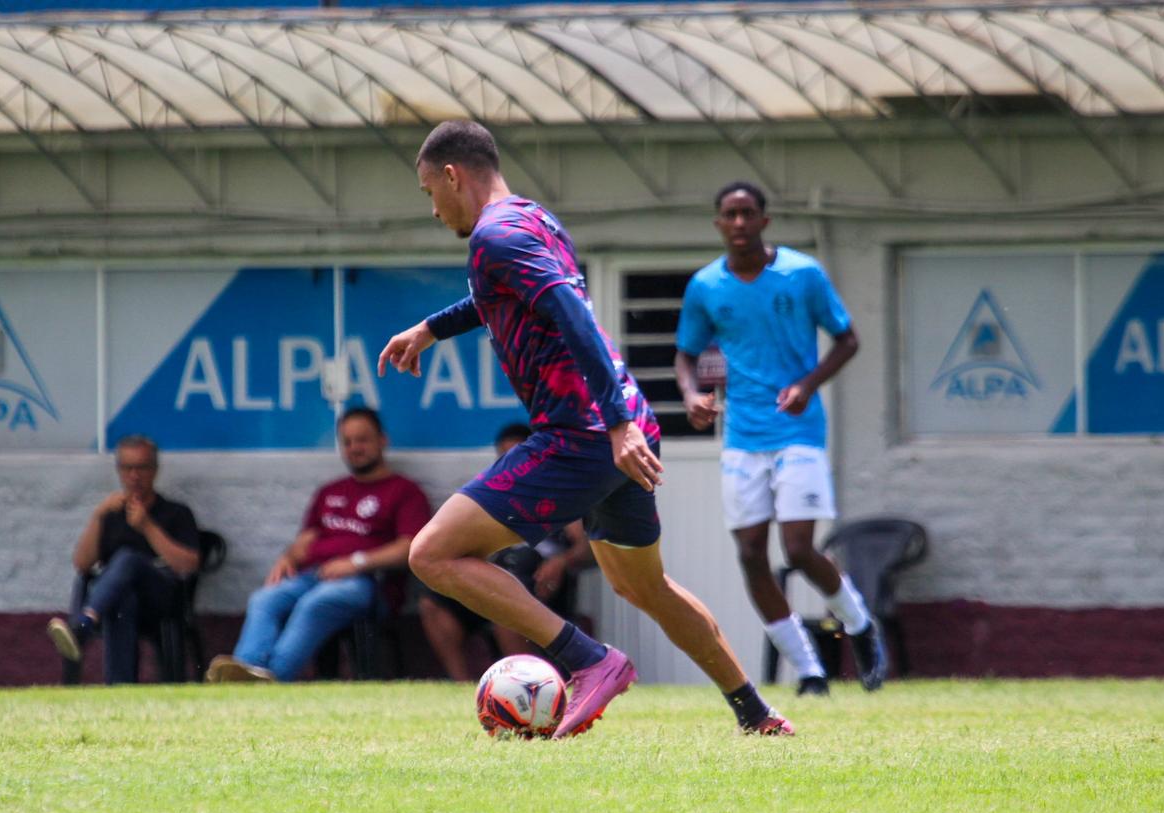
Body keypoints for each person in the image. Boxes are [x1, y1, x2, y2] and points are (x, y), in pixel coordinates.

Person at [378, 120, 792, 737]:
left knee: (432, 554)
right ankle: (756, 713)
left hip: (583, 434)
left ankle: (587, 659)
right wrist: (431, 329)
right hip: (620, 428)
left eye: (427, 192)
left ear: (451, 175)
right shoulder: (531, 219)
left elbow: (570, 311)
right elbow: (500, 297)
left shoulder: (494, 236)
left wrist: (616, 426)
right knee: (644, 585)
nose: (433, 209)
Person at [673, 180, 888, 696]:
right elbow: (686, 353)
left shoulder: (802, 274)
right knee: (750, 554)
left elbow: (848, 339)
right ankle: (810, 671)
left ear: (765, 221)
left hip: (798, 431)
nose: (740, 222)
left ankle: (859, 625)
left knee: (796, 549)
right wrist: (690, 396)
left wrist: (807, 385)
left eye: (749, 213)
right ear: (719, 224)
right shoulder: (706, 286)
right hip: (743, 436)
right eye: (731, 214)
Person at [205, 407, 431, 683]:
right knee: (265, 598)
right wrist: (288, 557)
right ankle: (246, 669)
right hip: (315, 574)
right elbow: (307, 539)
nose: (354, 448)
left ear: (383, 440)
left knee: (317, 603)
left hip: (368, 583)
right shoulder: (331, 491)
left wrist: (355, 563)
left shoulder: (405, 491)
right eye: (347, 442)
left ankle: (273, 677)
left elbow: (411, 547)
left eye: (362, 440)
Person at [418, 422, 595, 680]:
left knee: (504, 601)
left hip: (537, 580)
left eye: (517, 456)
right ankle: (460, 684)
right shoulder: (490, 496)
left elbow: (587, 550)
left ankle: (528, 682)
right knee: (433, 601)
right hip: (492, 573)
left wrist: (561, 561)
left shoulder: (556, 494)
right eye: (504, 457)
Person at [47, 434, 201, 684]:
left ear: (154, 470)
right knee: (122, 600)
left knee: (128, 559)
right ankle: (119, 688)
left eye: (141, 468)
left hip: (160, 601)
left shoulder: (176, 512)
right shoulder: (111, 514)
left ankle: (83, 626)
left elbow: (189, 565)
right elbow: (82, 564)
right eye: (127, 468)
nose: (134, 476)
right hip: (119, 603)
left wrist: (148, 527)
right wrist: (98, 516)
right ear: (119, 471)